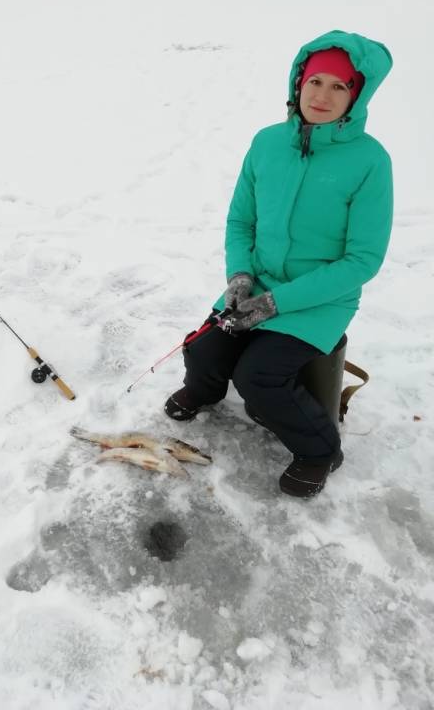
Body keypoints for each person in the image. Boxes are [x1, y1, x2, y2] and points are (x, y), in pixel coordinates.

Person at [164, 30, 393, 498]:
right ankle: (206, 391)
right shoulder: (267, 143)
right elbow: (240, 219)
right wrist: (241, 276)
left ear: (357, 94)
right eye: (315, 82)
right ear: (297, 84)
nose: (323, 96)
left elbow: (362, 260)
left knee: (258, 377)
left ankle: (319, 450)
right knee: (204, 349)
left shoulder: (370, 161)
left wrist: (278, 302)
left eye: (339, 87)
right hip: (257, 284)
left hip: (318, 300)